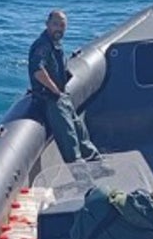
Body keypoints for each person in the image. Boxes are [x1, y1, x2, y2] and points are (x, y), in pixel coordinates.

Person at [28, 10, 101, 164]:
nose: (59, 29)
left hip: (61, 95)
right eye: (55, 24)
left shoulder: (55, 45)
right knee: (68, 135)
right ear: (47, 24)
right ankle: (78, 168)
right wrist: (55, 91)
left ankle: (94, 159)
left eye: (62, 26)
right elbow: (37, 71)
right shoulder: (43, 45)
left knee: (79, 128)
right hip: (49, 98)